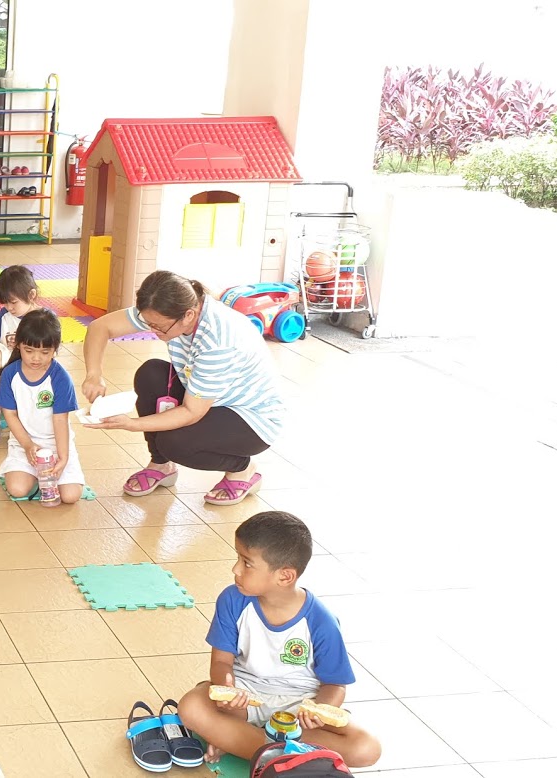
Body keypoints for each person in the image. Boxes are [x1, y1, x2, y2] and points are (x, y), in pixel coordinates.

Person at [177, 512, 380, 768]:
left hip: (298, 707)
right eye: (238, 558)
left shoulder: (322, 621)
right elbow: (221, 661)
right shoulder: (232, 600)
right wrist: (227, 688)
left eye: (246, 563)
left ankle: (241, 742)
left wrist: (319, 710)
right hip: (246, 698)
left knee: (367, 748)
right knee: (191, 707)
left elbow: (335, 685)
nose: (235, 569)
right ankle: (286, 751)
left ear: (285, 576)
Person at [81, 270, 286, 506]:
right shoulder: (169, 309)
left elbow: (192, 412)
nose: (154, 332)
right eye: (149, 324)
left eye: (160, 328)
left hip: (250, 418)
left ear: (189, 315)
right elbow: (100, 327)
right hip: (208, 398)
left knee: (174, 443)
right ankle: (161, 465)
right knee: (151, 374)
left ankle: (243, 468)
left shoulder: (218, 341)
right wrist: (93, 375)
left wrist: (131, 424)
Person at [0, 310, 84, 504]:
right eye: (29, 351)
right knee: (17, 489)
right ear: (18, 344)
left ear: (55, 349)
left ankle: (44, 475)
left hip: (56, 443)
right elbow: (10, 414)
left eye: (45, 352)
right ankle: (33, 475)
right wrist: (27, 445)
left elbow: (60, 419)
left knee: (70, 496)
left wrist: (63, 458)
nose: (36, 358)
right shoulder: (10, 374)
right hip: (24, 442)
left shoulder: (61, 378)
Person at [0, 265, 42, 401]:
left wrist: (24, 345)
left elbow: (50, 349)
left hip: (34, 363)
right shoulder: (5, 315)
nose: (9, 308)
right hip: (8, 364)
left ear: (31, 295)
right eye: (5, 303)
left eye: (13, 302)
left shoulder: (44, 318)